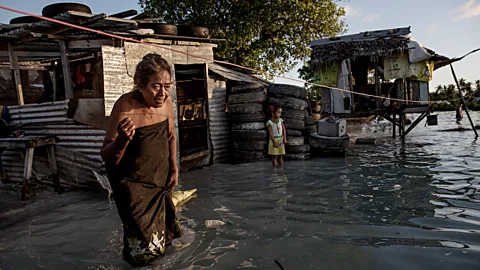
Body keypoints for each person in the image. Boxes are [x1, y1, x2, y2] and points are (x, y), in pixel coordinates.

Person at [100, 53, 182, 266]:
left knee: (164, 239)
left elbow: (170, 136)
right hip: (132, 187)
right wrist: (123, 141)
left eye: (167, 86)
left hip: (159, 179)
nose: (162, 93)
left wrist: (174, 169)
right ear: (140, 85)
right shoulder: (125, 107)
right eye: (156, 86)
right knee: (141, 251)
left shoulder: (167, 103)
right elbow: (107, 155)